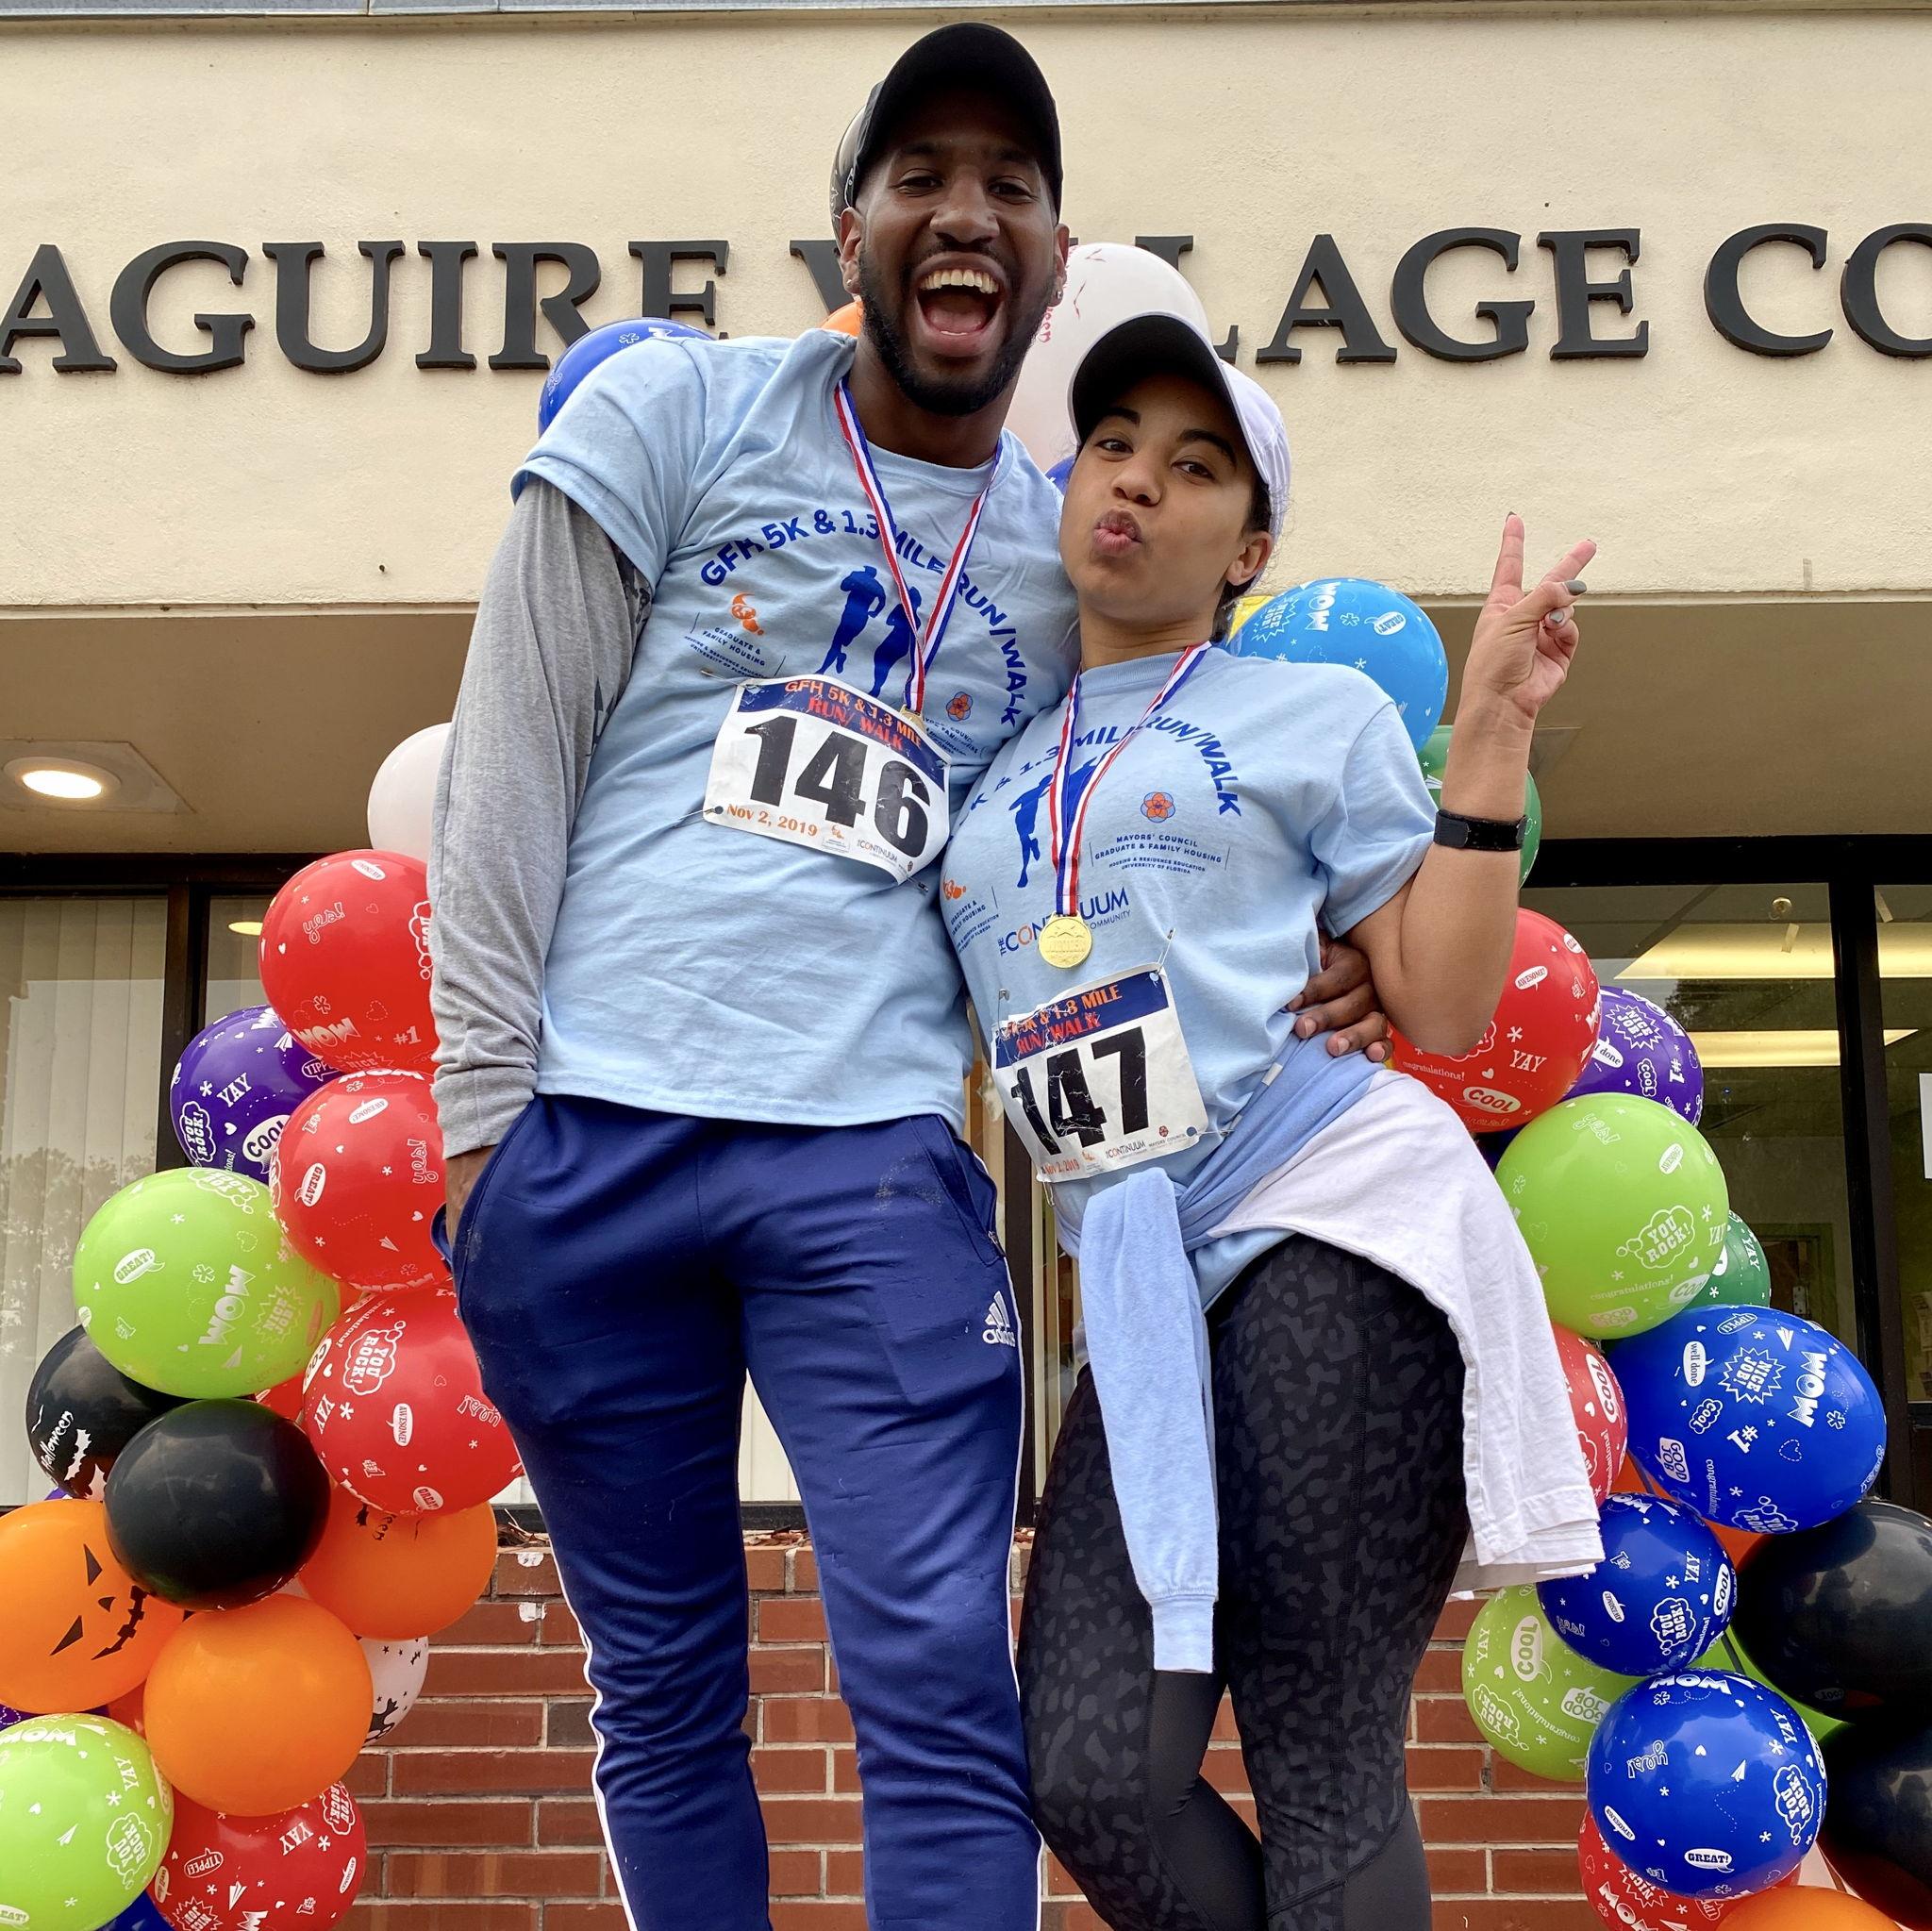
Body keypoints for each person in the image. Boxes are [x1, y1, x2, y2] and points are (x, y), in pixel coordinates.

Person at [428, 26, 1386, 1930]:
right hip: (582, 1144)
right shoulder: (677, 415)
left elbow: (1178, 769)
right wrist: (480, 1137)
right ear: (849, 226)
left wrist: (1336, 925)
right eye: (921, 175)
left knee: (941, 1699)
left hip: (868, 1164)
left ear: (1051, 258)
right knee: (663, 1696)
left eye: (1009, 186)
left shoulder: (1067, 549)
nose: (965, 212)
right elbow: (510, 753)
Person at [940, 312, 1607, 1931]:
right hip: (1142, 1282)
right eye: (1111, 447)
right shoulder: (981, 766)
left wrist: (1497, 726)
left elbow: (1441, 1002)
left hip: (1335, 1218)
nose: (1134, 484)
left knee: (1318, 1752)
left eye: (1193, 469)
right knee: (1091, 1771)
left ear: (1248, 548)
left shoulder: (1312, 714)